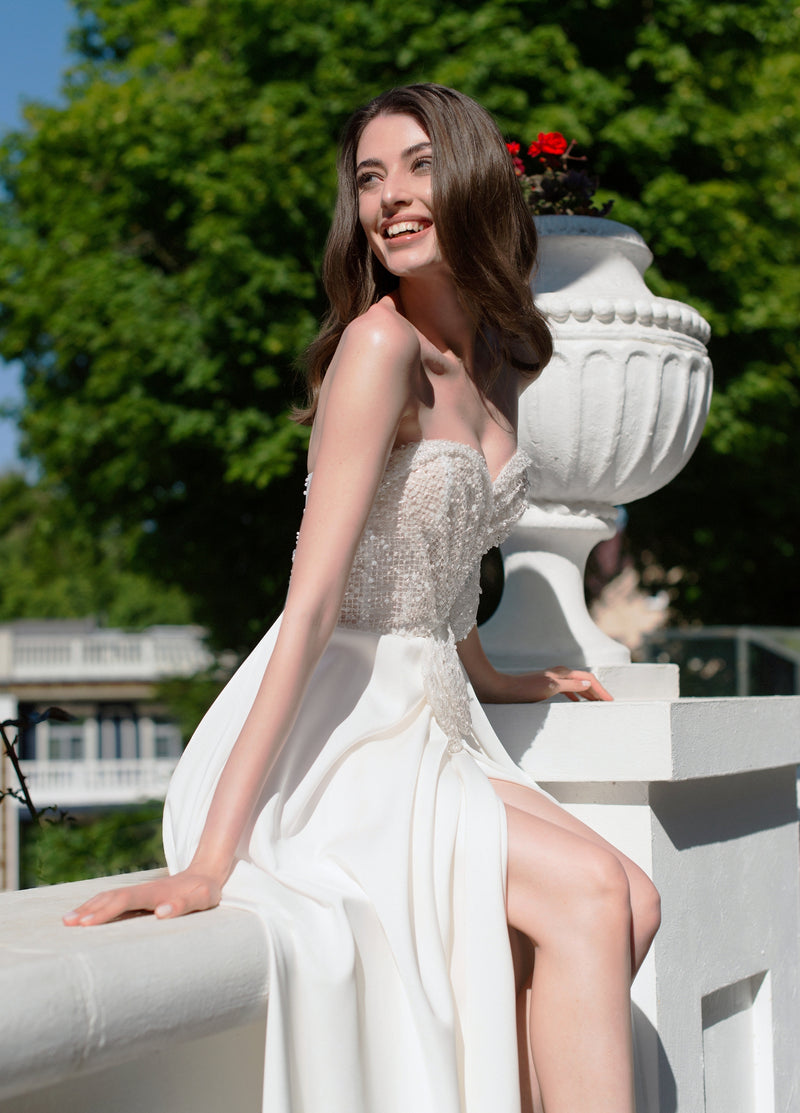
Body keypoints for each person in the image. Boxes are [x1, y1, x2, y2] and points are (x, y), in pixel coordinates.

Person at [64, 84, 660, 1113]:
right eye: (370, 178)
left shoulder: (496, 358)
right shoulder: (375, 348)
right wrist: (209, 862)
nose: (389, 197)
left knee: (633, 903)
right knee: (592, 894)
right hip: (338, 731)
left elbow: (445, 566)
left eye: (417, 166)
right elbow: (310, 604)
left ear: (472, 175)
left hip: (433, 714)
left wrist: (498, 677)